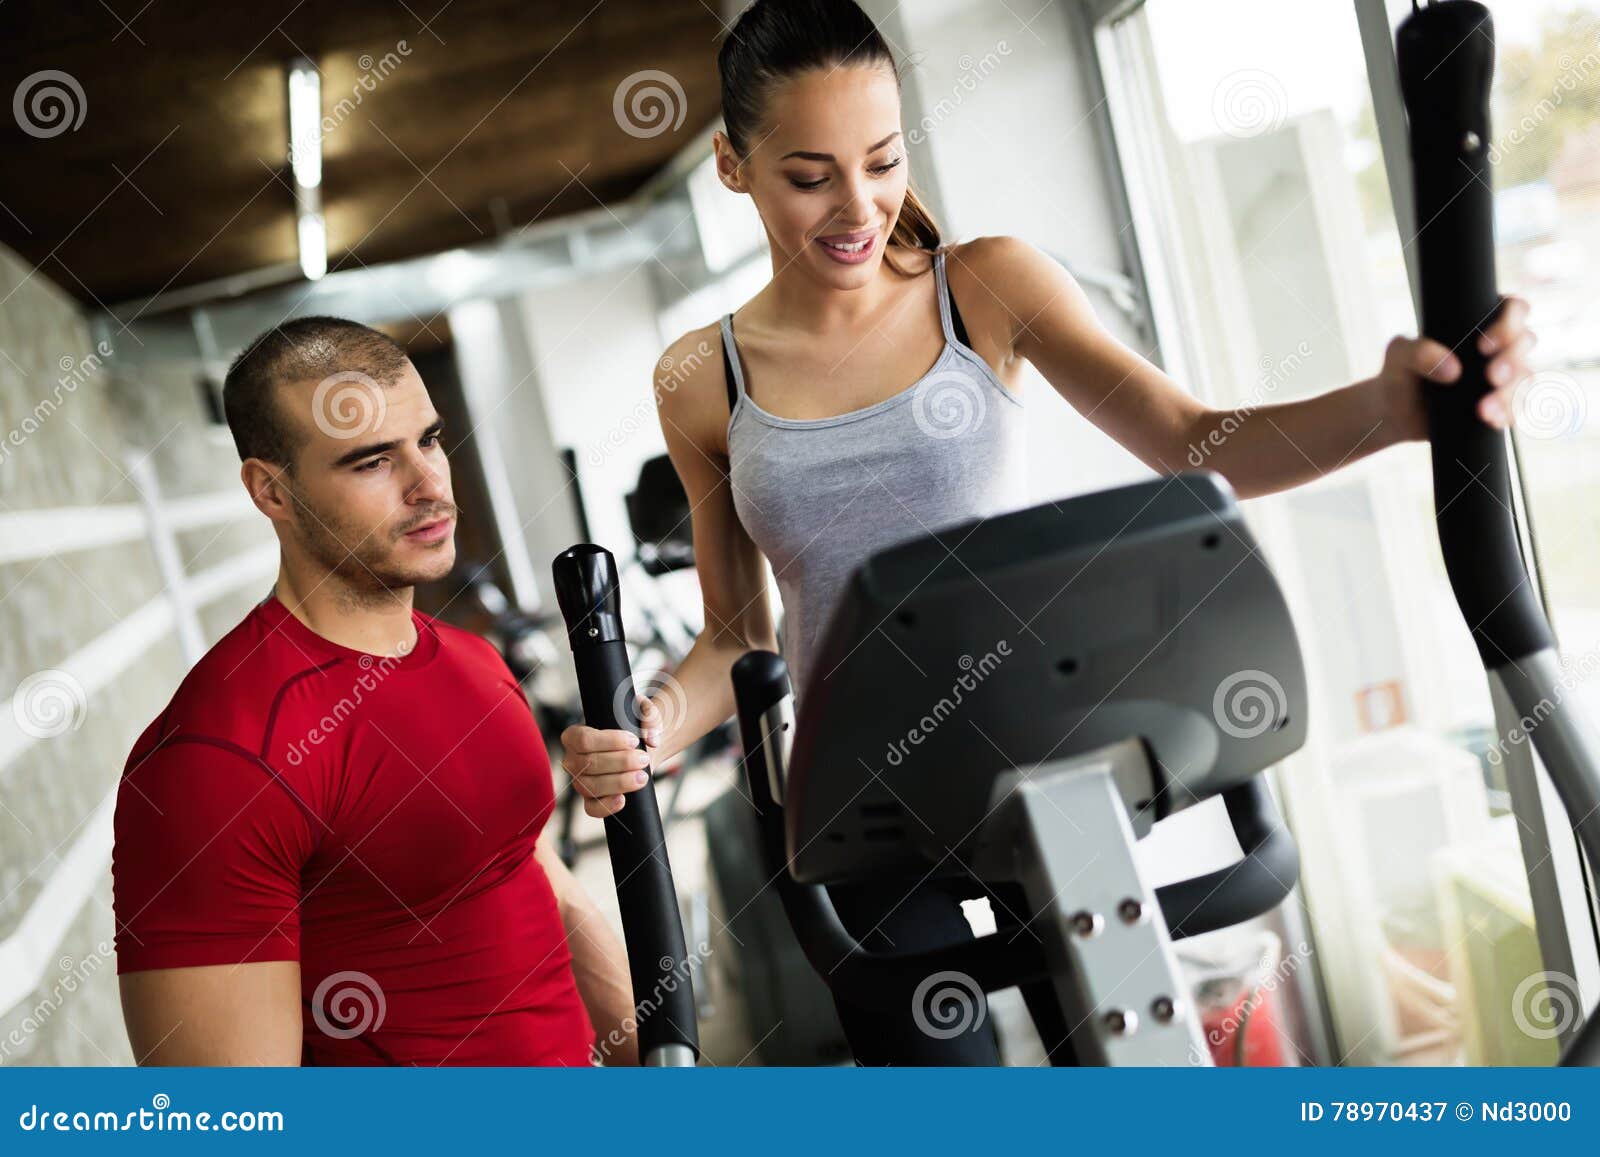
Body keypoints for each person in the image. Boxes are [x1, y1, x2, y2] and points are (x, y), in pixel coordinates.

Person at [557, 0, 1539, 1064]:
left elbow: (1191, 438)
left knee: (1128, 1067)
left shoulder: (983, 285)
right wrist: (650, 725)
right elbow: (738, 637)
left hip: (1045, 752)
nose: (859, 206)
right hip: (863, 794)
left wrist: (1388, 410)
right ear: (733, 166)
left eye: (881, 161)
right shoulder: (701, 376)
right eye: (810, 175)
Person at [112, 317, 635, 1066]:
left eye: (428, 439)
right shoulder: (217, 757)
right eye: (370, 463)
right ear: (273, 490)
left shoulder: (474, 661)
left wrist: (661, 1060)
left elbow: (534, 876)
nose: (429, 485)